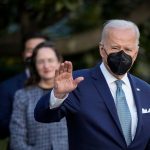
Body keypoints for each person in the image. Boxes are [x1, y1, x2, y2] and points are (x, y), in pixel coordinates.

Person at [34, 19, 150, 150]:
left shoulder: (146, 91)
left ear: (135, 53)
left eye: (128, 49)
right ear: (102, 49)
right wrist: (58, 95)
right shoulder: (77, 83)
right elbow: (42, 116)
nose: (121, 54)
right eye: (115, 48)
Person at [10, 42, 68, 150]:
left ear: (59, 62)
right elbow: (17, 139)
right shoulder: (22, 96)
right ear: (34, 65)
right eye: (41, 61)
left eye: (50, 60)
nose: (46, 66)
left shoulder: (72, 92)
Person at [0, 32, 49, 139]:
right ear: (23, 55)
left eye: (41, 49)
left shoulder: (63, 85)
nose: (36, 54)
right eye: (31, 50)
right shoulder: (7, 87)